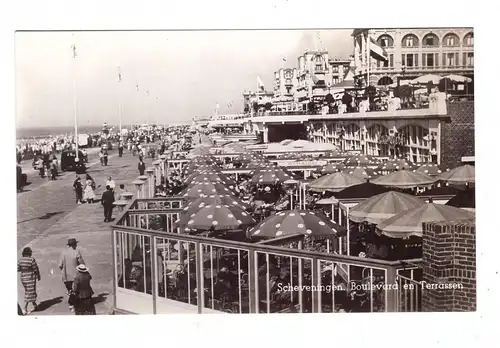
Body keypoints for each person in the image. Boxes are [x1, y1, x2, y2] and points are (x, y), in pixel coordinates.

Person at [59, 238, 85, 312]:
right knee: (75, 290)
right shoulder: (76, 252)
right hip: (75, 275)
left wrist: (64, 270)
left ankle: (71, 304)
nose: (76, 245)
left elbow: (60, 265)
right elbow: (82, 263)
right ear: (74, 245)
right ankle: (73, 304)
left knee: (70, 290)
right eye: (76, 244)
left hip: (66, 276)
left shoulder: (63, 253)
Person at [17, 247, 41, 315]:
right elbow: (35, 268)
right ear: (29, 253)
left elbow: (18, 269)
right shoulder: (31, 259)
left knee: (29, 291)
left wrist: (24, 269)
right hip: (30, 277)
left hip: (23, 278)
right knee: (29, 292)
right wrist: (38, 276)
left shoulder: (20, 260)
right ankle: (25, 308)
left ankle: (35, 305)